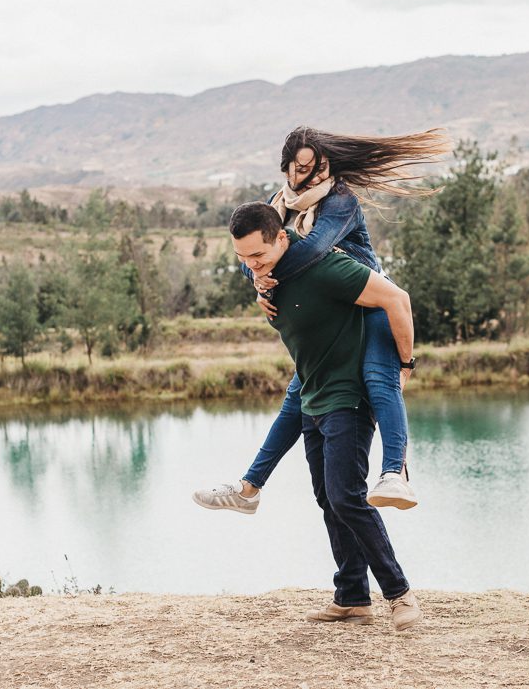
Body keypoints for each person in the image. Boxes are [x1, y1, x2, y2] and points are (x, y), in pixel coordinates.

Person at [193, 126, 450, 513]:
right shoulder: (278, 205)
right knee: (294, 401)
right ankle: (248, 490)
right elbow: (253, 257)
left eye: (312, 167)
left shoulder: (340, 201)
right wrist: (259, 281)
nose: (304, 176)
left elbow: (311, 250)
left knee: (382, 383)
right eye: (296, 168)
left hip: (369, 306)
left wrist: (268, 279)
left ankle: (395, 475)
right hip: (334, 320)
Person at [225, 201, 423, 629]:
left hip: (347, 397)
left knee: (346, 498)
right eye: (243, 259)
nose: (252, 265)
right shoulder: (267, 274)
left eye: (257, 256)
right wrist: (258, 282)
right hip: (312, 397)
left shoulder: (324, 267)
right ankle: (352, 597)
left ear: (282, 238)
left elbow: (396, 299)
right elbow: (257, 268)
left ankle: (400, 594)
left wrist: (405, 363)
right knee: (329, 501)